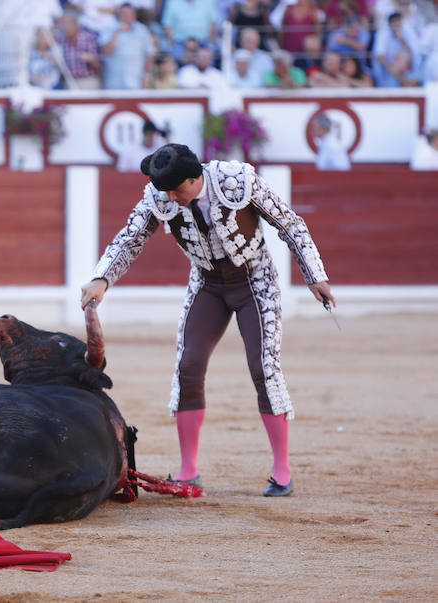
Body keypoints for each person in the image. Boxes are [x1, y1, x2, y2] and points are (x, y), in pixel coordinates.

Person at [81, 143, 335, 497]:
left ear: (194, 177)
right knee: (188, 365)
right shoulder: (163, 195)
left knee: (264, 367)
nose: (170, 197)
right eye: (165, 191)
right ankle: (188, 470)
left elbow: (289, 224)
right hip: (207, 284)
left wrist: (314, 274)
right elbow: (130, 239)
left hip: (254, 281)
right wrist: (101, 278)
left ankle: (281, 469)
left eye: (176, 189)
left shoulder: (237, 181)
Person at [99, 3, 156, 89]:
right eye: (124, 13)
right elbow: (106, 51)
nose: (127, 16)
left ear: (134, 15)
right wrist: (117, 33)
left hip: (136, 81)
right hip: (114, 82)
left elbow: (149, 55)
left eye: (129, 13)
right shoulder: (109, 29)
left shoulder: (142, 30)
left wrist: (147, 76)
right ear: (119, 14)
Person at [57, 12, 102, 89]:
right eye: (63, 23)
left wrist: (91, 59)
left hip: (87, 80)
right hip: (69, 81)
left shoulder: (88, 38)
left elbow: (98, 64)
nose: (65, 26)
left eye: (67, 23)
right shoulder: (61, 40)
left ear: (75, 24)